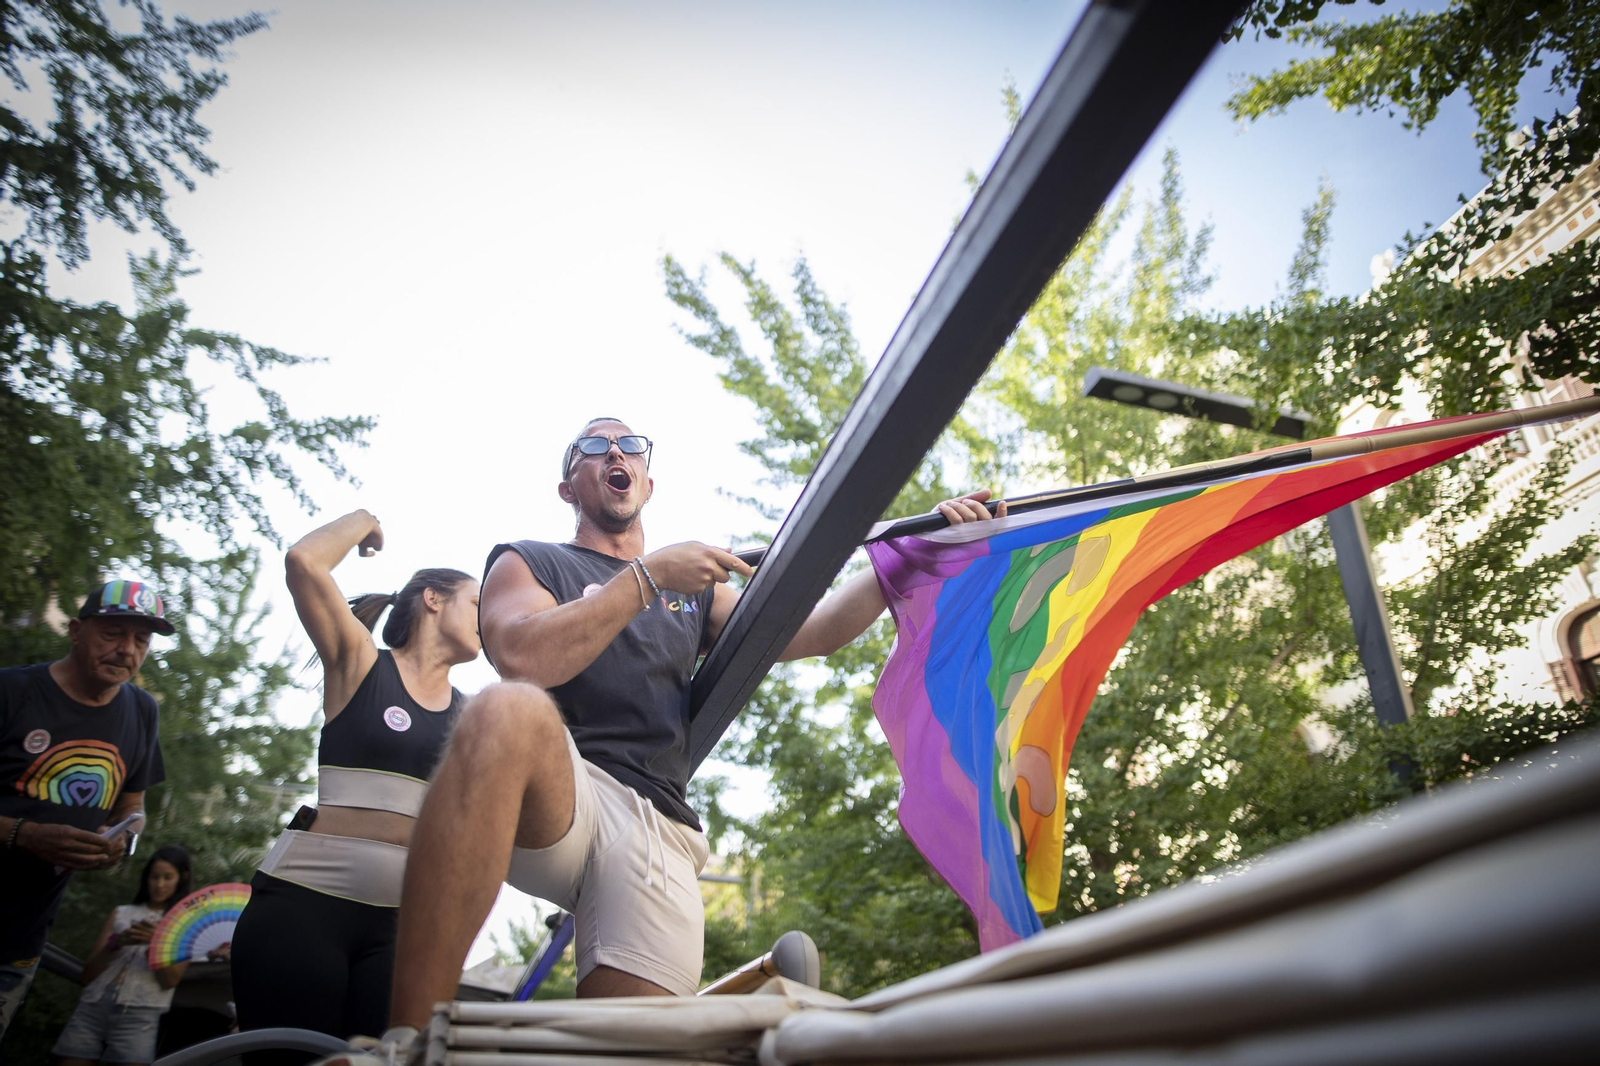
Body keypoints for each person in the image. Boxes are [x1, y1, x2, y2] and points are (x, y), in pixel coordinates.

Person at [322, 418, 1004, 1064]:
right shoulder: (528, 561)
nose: (616, 453)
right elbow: (523, 659)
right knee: (507, 710)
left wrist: (916, 555)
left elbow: (816, 631)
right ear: (570, 487)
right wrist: (646, 579)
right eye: (595, 445)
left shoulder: (696, 595)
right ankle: (408, 1040)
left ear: (647, 482)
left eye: (630, 446)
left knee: (634, 1051)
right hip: (567, 792)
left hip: (657, 827)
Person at [229, 510, 480, 1054]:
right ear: (433, 599)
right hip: (303, 907)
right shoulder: (362, 664)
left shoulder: (475, 716)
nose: (490, 617)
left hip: (401, 929)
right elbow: (304, 562)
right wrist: (366, 521)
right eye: (478, 602)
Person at [1, 581, 173, 1049]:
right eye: (112, 633)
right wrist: (24, 834)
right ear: (76, 631)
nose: (125, 650)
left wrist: (123, 840)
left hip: (20, 937)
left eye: (140, 640)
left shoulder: (140, 710)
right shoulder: (12, 692)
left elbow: (133, 805)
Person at [50, 844, 195, 1066]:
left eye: (168, 877)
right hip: (94, 1004)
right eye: (154, 877)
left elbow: (170, 981)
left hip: (141, 1013)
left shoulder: (184, 926)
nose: (159, 884)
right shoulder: (122, 913)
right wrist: (117, 943)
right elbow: (88, 975)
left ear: (182, 878)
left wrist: (155, 945)